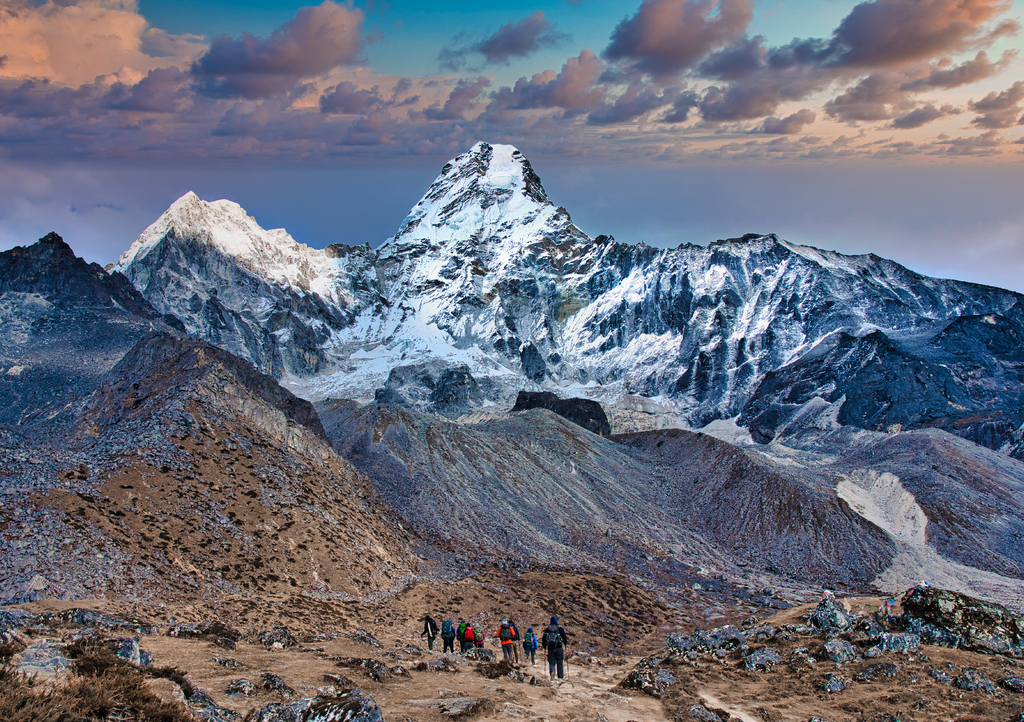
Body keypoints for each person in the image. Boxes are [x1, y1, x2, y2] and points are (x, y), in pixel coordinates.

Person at [543, 615, 569, 680]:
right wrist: (565, 644)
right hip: (559, 648)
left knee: (552, 662)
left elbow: (544, 639)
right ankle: (560, 677)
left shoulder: (547, 629)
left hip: (550, 648)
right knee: (559, 662)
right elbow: (564, 638)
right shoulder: (560, 629)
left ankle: (552, 673)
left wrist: (544, 646)